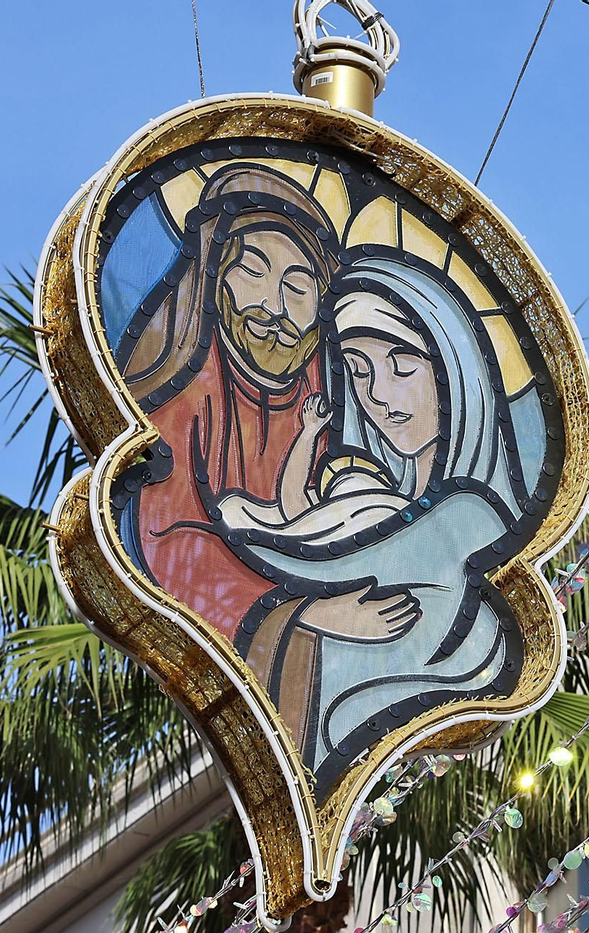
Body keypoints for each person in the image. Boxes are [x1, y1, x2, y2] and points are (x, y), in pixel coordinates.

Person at [215, 254, 530, 793]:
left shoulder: (472, 517)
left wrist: (275, 579)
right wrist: (313, 610)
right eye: (360, 372)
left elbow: (294, 557)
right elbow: (298, 528)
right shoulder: (362, 488)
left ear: (453, 370)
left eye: (402, 367)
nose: (379, 395)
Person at [114, 163, 395, 656]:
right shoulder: (184, 394)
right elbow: (167, 535)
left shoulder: (344, 398)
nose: (274, 306)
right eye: (252, 271)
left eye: (298, 286)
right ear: (214, 274)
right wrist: (305, 611)